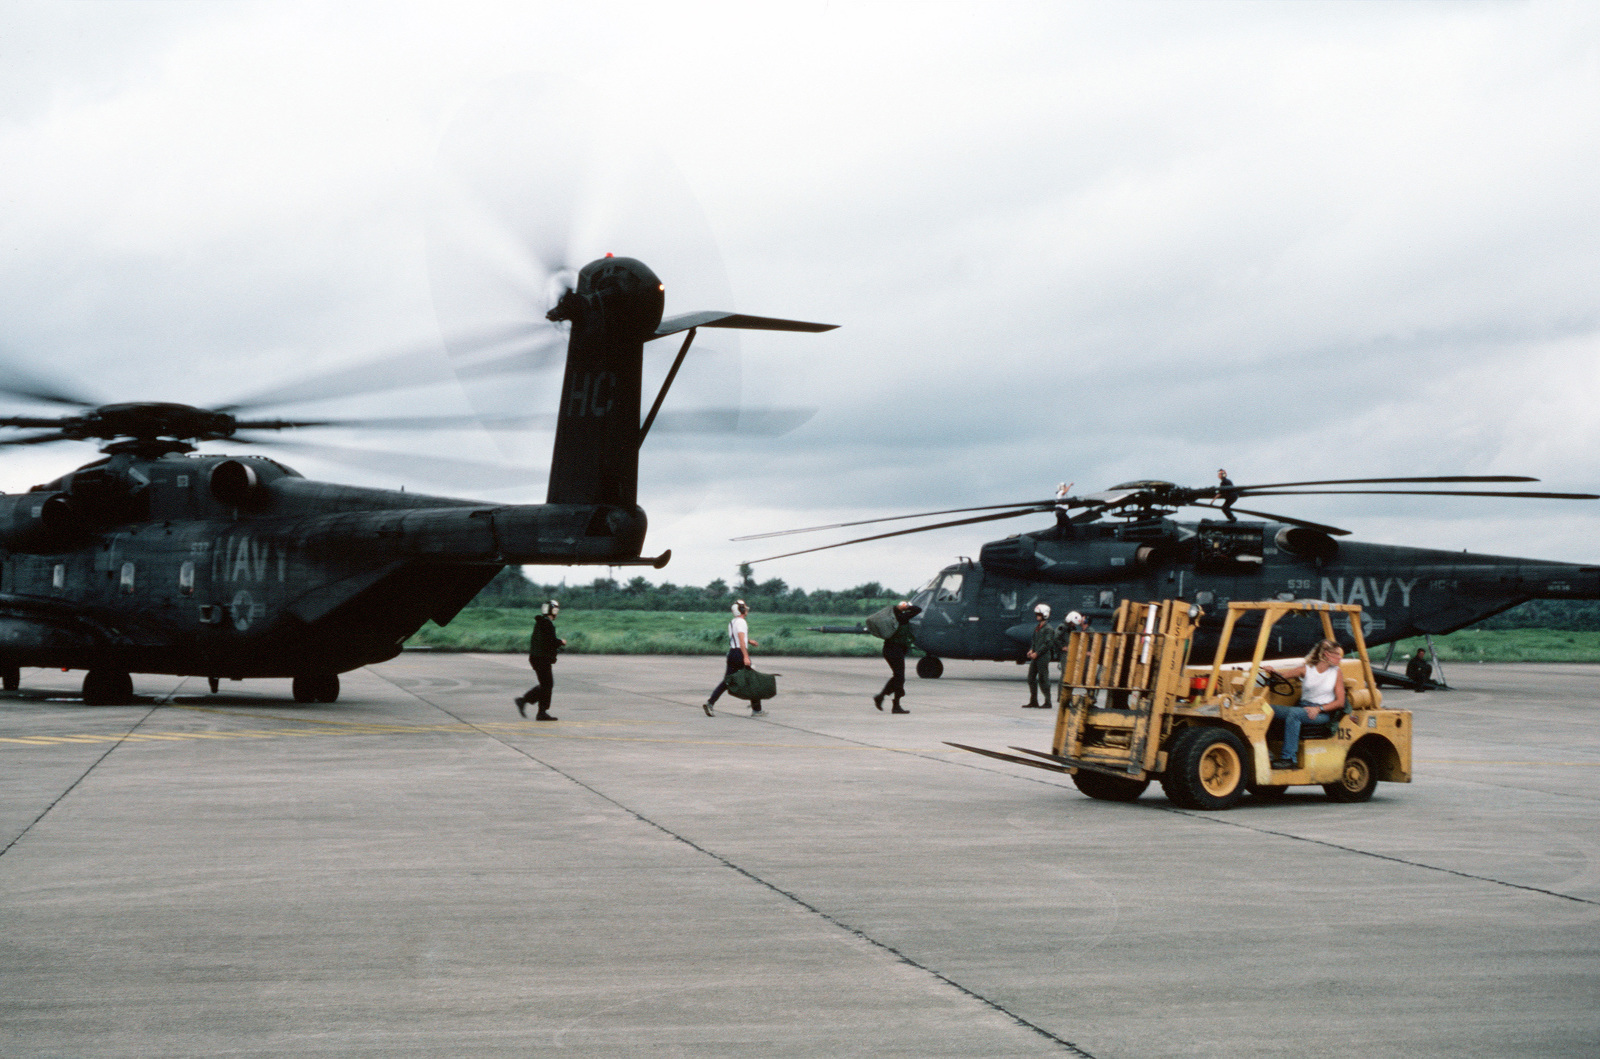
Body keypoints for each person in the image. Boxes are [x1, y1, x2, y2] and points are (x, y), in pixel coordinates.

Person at [1262, 639, 1346, 769]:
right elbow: (1282, 677)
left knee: (1294, 714)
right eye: (1336, 654)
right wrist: (1272, 671)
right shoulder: (1306, 669)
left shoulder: (1336, 672)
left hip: (1322, 713)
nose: (1340, 658)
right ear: (1325, 654)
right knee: (1265, 709)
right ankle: (1266, 752)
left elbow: (1340, 702)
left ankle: (1289, 758)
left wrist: (1319, 709)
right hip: (1303, 707)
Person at [704, 600, 762, 717]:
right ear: (741, 610)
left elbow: (737, 637)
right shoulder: (742, 622)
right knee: (753, 680)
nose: (746, 610)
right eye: (745, 608)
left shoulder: (733, 622)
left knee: (727, 681)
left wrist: (749, 641)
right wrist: (746, 656)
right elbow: (741, 639)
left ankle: (710, 703)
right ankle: (757, 710)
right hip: (740, 653)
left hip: (732, 653)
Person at [515, 599, 565, 721]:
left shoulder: (541, 622)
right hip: (541, 658)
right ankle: (538, 710)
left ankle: (527, 703)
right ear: (553, 610)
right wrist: (561, 642)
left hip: (537, 658)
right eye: (556, 610)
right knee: (547, 685)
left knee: (545, 685)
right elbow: (551, 642)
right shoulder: (546, 623)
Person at [873, 601, 920, 714]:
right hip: (895, 650)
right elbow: (917, 610)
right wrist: (908, 606)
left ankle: (882, 697)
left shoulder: (891, 619)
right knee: (899, 677)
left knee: (898, 677)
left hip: (889, 649)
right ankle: (894, 705)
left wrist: (899, 608)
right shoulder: (902, 618)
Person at [1024, 603, 1059, 708]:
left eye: (1039, 614)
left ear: (1044, 615)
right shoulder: (1038, 627)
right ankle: (1033, 701)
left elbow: (1048, 644)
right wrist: (1031, 649)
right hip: (1036, 656)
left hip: (1043, 657)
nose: (1037, 616)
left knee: (1043, 679)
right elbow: (1034, 640)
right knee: (1031, 678)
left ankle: (1048, 702)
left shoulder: (1048, 629)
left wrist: (1037, 653)